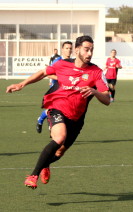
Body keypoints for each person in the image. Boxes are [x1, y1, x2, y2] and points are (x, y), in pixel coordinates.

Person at [6, 35, 110, 189]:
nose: (89, 53)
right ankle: (33, 175)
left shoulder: (96, 72)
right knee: (60, 137)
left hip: (77, 117)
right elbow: (43, 72)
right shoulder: (61, 64)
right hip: (57, 107)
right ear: (77, 50)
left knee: (60, 152)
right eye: (86, 49)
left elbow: (107, 99)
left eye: (92, 50)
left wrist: (95, 92)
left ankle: (46, 165)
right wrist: (22, 84)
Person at [36, 41, 73, 133]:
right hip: (56, 89)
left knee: (64, 109)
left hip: (66, 90)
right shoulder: (57, 61)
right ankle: (46, 123)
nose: (69, 50)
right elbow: (48, 74)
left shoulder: (73, 62)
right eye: (67, 48)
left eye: (70, 48)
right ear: (62, 49)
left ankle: (42, 120)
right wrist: (61, 78)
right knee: (54, 109)